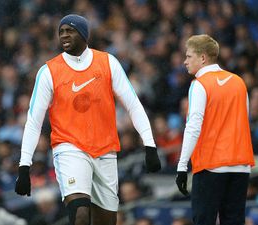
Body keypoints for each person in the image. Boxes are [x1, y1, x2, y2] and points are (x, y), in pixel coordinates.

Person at [14, 14, 161, 225]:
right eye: (61, 31)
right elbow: (34, 120)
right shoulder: (48, 72)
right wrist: (24, 165)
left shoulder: (108, 63)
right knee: (80, 214)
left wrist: (150, 145)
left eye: (69, 30)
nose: (64, 35)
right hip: (69, 148)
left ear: (84, 34)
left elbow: (133, 105)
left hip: (105, 149)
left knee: (107, 221)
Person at [175, 34, 255, 225]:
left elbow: (193, 127)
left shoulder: (200, 84)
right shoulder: (238, 82)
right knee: (234, 221)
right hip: (240, 165)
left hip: (211, 165)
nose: (184, 62)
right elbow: (245, 120)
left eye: (188, 56)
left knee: (204, 220)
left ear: (203, 58)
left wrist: (181, 165)